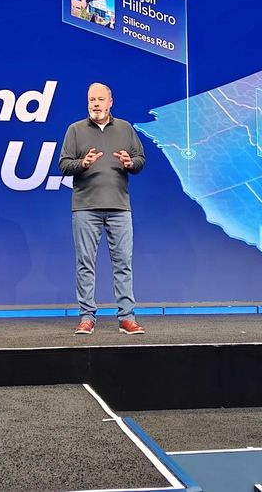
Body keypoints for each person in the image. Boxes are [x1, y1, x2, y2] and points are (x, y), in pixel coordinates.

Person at [58, 82, 146, 335]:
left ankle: (127, 318)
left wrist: (130, 163)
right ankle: (87, 317)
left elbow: (140, 160)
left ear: (110, 102)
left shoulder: (125, 128)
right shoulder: (75, 130)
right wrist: (82, 164)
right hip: (85, 208)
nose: (95, 104)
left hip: (119, 207)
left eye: (100, 99)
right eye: (91, 100)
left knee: (123, 263)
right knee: (85, 263)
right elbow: (64, 164)